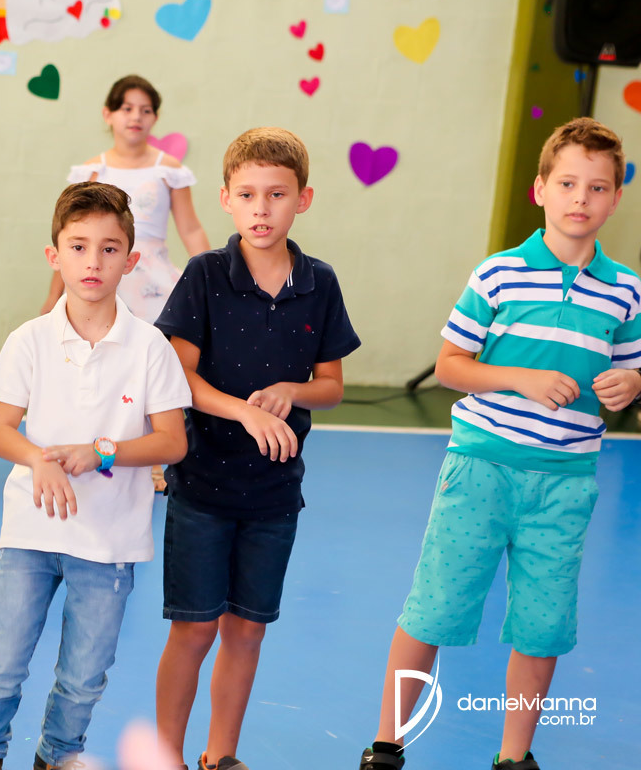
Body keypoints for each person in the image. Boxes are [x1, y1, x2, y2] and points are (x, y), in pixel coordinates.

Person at [356, 118, 641, 770]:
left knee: (544, 626)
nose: (580, 197)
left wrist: (631, 383)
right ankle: (386, 744)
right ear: (540, 190)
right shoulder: (499, 274)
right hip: (481, 469)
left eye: (597, 187)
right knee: (433, 610)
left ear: (615, 199)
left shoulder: (626, 289)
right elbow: (451, 365)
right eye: (566, 183)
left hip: (566, 482)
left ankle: (515, 756)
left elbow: (630, 371)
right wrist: (521, 378)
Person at [0, 181, 191, 770]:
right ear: (54, 255)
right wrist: (38, 458)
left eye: (109, 249)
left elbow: (173, 441)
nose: (93, 262)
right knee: (0, 667)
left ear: (130, 261)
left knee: (84, 677)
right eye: (79, 247)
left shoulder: (151, 347)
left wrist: (102, 452)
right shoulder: (29, 339)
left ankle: (58, 757)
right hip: (30, 533)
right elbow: (0, 431)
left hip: (110, 542)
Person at [153, 127, 360, 770]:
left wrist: (293, 390)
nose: (262, 208)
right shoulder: (204, 274)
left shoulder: (320, 282)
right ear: (225, 199)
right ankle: (165, 757)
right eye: (247, 194)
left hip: (274, 494)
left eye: (277, 194)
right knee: (194, 629)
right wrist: (241, 408)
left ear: (304, 199)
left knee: (246, 630)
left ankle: (221, 755)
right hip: (201, 487)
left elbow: (331, 387)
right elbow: (179, 377)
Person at [42, 75, 209, 325]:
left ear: (155, 117)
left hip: (152, 279)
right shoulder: (91, 171)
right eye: (127, 109)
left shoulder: (169, 170)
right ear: (108, 114)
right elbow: (68, 236)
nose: (136, 117)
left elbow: (191, 230)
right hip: (98, 270)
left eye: (146, 110)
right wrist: (53, 296)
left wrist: (212, 280)